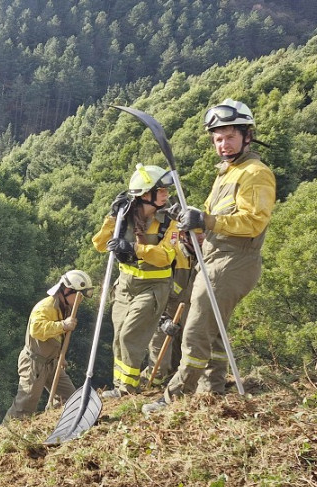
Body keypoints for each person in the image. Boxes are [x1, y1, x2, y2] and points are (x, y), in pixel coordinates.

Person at [143, 99, 275, 415]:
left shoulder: (255, 173)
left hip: (235, 261)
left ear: (247, 135)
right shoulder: (226, 174)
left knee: (195, 329)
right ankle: (212, 389)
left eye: (229, 136)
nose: (223, 144)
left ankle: (174, 397)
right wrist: (194, 232)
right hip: (213, 257)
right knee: (211, 329)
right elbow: (208, 221)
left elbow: (255, 220)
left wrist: (207, 221)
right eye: (217, 138)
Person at [92, 164, 179, 398]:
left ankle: (129, 389)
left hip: (153, 287)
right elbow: (99, 243)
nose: (166, 194)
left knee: (130, 335)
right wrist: (113, 218)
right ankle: (120, 386)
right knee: (119, 335)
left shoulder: (168, 222)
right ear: (144, 194)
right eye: (160, 190)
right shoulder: (125, 217)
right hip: (125, 285)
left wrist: (134, 247)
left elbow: (165, 257)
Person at [2, 270, 95, 422]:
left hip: (52, 362)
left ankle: (57, 424)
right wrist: (62, 325)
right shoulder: (45, 307)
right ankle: (4, 435)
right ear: (66, 291)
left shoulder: (66, 307)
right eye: (78, 295)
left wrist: (59, 356)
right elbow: (37, 329)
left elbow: (57, 337)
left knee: (70, 398)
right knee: (24, 408)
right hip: (34, 363)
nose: (81, 300)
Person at [141, 231, 203, 387]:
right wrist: (162, 319)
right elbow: (152, 287)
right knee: (160, 363)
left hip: (191, 311)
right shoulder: (172, 255)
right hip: (165, 310)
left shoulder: (207, 256)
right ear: (184, 236)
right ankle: (149, 385)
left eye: (204, 233)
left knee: (187, 357)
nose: (201, 238)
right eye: (197, 234)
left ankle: (179, 385)